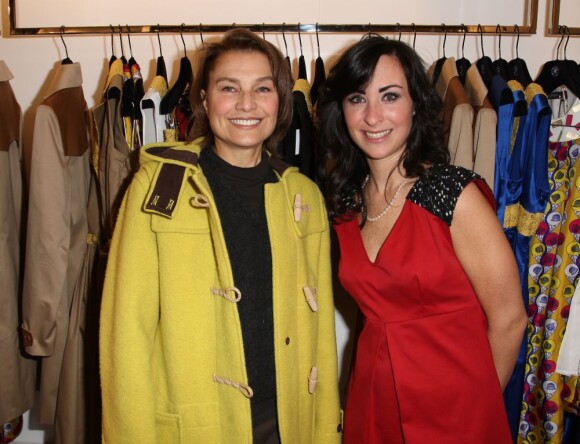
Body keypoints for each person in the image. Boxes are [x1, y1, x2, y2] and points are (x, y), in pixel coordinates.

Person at [99, 28, 342, 443]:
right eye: (229, 88)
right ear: (205, 99)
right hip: (195, 428)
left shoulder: (304, 196)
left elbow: (321, 338)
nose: (246, 104)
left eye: (262, 88)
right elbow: (126, 336)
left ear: (280, 100)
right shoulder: (159, 187)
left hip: (287, 426)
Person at [316, 35, 527, 443]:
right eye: (357, 99)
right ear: (341, 111)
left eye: (390, 96)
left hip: (456, 410)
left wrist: (474, 407)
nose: (373, 116)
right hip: (373, 399)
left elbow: (510, 319)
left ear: (416, 104)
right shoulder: (345, 202)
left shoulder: (450, 193)